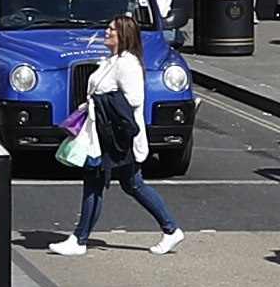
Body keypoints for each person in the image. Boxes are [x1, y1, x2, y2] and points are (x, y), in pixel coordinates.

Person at [48, 15, 184, 256]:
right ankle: (171, 230)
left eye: (112, 29)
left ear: (124, 35)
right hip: (105, 135)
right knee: (128, 184)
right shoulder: (113, 60)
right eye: (108, 28)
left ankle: (79, 240)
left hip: (118, 138)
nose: (106, 32)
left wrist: (99, 101)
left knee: (101, 182)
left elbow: (134, 99)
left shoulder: (127, 64)